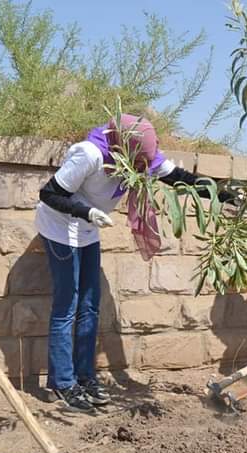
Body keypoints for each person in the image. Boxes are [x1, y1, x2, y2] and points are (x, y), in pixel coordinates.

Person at [35, 114, 234, 412]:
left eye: (146, 163)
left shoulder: (144, 156)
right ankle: (62, 382)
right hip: (60, 228)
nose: (143, 169)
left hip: (89, 231)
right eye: (139, 163)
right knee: (68, 304)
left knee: (90, 305)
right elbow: (49, 193)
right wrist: (86, 212)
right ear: (123, 150)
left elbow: (182, 180)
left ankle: (85, 376)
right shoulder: (89, 155)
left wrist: (227, 194)